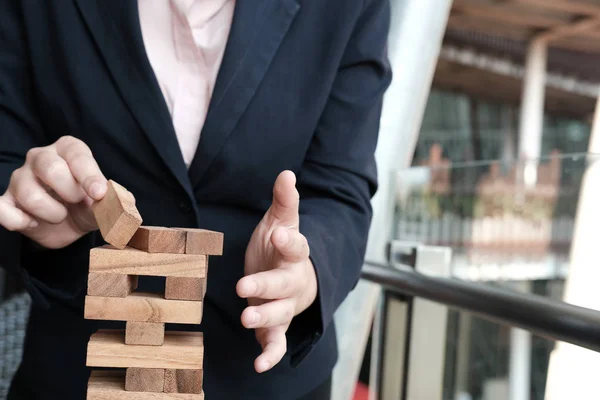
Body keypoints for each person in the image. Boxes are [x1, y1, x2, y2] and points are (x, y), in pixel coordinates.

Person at [0, 0, 391, 399]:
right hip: (77, 367)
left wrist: (302, 270)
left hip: (263, 379)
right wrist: (36, 211)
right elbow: (6, 157)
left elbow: (341, 186)